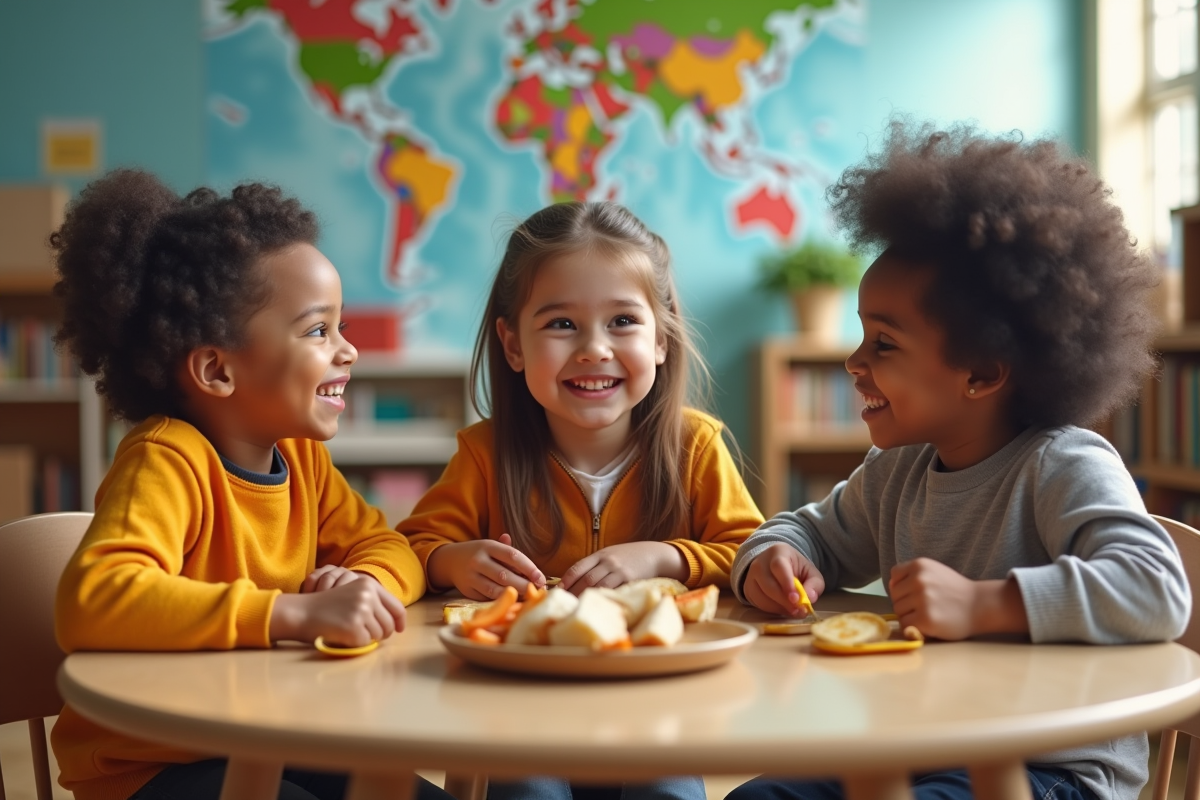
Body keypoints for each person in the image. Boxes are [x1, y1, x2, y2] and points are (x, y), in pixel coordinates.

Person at [729, 122, 1192, 800]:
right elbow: (810, 533)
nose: (855, 363)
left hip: (1051, 770)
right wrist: (772, 560)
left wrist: (985, 603)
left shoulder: (1062, 463)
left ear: (980, 374)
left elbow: (1158, 588)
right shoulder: (899, 472)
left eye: (883, 344)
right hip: (924, 746)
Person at [49, 169, 449, 800]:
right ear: (217, 369)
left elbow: (391, 545)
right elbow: (95, 599)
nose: (347, 351)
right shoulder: (166, 460)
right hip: (156, 762)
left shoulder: (301, 460)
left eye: (340, 328)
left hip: (270, 736)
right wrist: (293, 613)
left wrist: (364, 584)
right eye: (319, 330)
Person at [399, 201, 764, 800]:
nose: (594, 348)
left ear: (662, 338)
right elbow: (412, 547)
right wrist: (454, 560)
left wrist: (664, 558)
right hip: (523, 707)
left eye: (623, 320)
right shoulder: (484, 453)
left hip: (660, 702)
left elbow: (750, 552)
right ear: (513, 345)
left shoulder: (696, 446)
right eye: (562, 324)